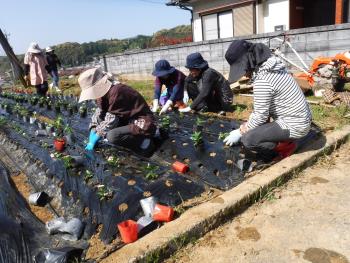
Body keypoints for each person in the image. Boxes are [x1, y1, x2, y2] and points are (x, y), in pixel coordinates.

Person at [223, 40, 312, 162]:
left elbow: (260, 115)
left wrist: (240, 132)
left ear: (249, 62)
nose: (244, 74)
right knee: (251, 126)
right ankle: (282, 139)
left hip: (295, 125)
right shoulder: (273, 67)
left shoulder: (263, 80)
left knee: (248, 139)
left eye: (243, 70)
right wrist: (248, 125)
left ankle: (282, 148)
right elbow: (263, 112)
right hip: (301, 119)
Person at [78, 68, 157, 157]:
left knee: (112, 136)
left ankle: (144, 142)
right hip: (126, 119)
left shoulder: (116, 92)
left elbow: (111, 120)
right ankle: (130, 139)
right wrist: (93, 129)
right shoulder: (102, 94)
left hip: (142, 122)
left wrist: (96, 137)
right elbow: (99, 112)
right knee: (101, 119)